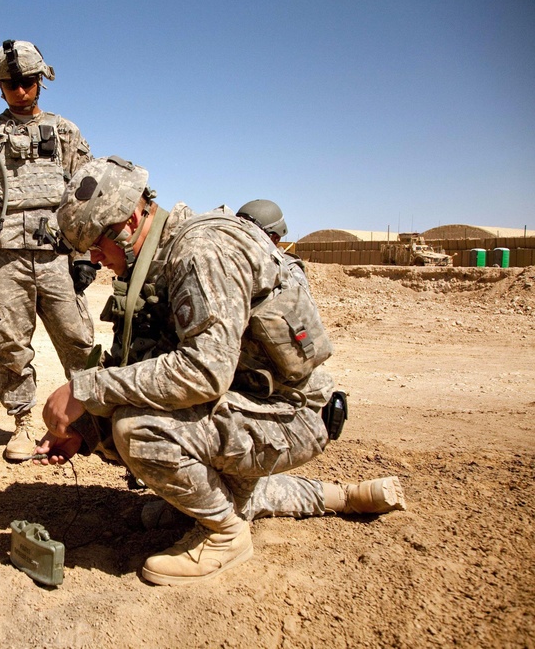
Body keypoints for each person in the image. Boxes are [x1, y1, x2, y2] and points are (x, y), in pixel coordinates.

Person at [36, 156, 405, 585]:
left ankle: (227, 535)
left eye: (98, 242)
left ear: (132, 217)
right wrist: (85, 430)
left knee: (138, 429)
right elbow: (143, 366)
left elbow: (202, 374)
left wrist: (85, 390)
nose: (96, 258)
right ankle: (340, 497)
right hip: (249, 407)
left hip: (291, 414)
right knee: (120, 426)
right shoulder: (156, 260)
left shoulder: (200, 252)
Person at [0, 39, 97, 461]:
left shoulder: (66, 132)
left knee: (79, 343)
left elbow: (87, 197)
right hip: (2, 257)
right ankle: (23, 424)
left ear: (40, 82)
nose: (21, 91)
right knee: (10, 345)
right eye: (11, 84)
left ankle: (97, 426)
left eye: (28, 82)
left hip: (57, 256)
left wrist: (84, 255)